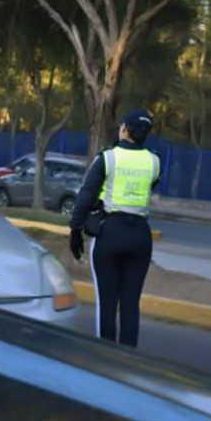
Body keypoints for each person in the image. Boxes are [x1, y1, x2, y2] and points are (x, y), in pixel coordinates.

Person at [69, 109, 161, 347]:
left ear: (123, 129)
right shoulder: (154, 161)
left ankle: (106, 357)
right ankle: (128, 358)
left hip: (110, 233)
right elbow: (152, 183)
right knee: (131, 304)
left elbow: (86, 196)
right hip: (140, 236)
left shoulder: (108, 158)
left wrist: (75, 230)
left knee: (107, 303)